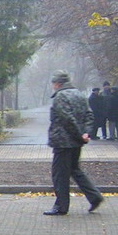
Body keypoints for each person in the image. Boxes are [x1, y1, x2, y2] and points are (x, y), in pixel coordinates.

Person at [44, 70, 103, 216]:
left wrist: (80, 134)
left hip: (63, 141)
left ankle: (61, 206)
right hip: (76, 142)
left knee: (60, 175)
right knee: (75, 170)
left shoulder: (60, 96)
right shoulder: (79, 94)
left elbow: (67, 118)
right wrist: (86, 133)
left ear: (57, 84)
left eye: (53, 83)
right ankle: (94, 196)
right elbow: (89, 115)